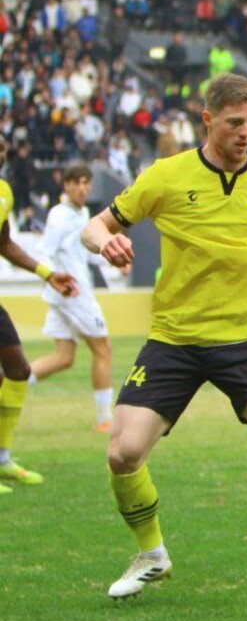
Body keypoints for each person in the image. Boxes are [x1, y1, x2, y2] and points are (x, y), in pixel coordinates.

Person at [81, 74, 247, 605]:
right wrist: (105, 242)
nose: (245, 132)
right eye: (234, 123)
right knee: (123, 452)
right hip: (174, 340)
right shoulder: (166, 176)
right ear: (207, 121)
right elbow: (95, 225)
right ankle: (151, 554)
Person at [0, 142, 80, 495]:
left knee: (18, 370)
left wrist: (47, 273)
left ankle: (2, 459)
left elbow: (5, 244)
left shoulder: (3, 192)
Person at [29, 164, 126, 432]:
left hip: (66, 293)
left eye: (87, 183)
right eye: (78, 183)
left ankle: (9, 383)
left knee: (63, 357)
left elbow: (82, 254)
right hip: (73, 292)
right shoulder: (59, 216)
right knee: (103, 348)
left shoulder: (82, 212)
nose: (83, 188)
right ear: (67, 185)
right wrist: (53, 277)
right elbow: (44, 251)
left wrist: (113, 260)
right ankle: (105, 419)